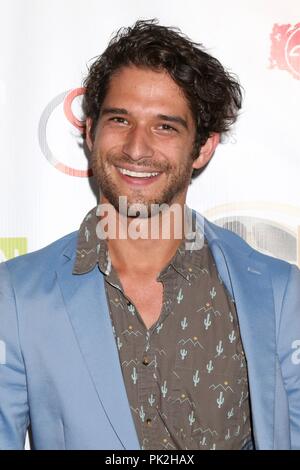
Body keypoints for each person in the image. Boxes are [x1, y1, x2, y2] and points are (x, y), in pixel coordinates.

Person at [0, 19, 299, 451]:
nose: (137, 148)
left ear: (203, 147)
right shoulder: (15, 295)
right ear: (90, 131)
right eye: (120, 119)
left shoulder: (276, 292)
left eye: (165, 127)